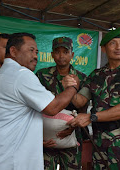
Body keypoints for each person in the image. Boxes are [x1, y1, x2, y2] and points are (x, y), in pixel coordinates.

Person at [0, 33, 80, 170]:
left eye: (36, 52)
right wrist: (73, 86)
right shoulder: (20, 74)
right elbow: (53, 107)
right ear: (13, 51)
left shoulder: (6, 72)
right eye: (31, 50)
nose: (35, 56)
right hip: (7, 161)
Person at [64, 27, 120, 169]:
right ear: (103, 49)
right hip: (99, 142)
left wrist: (91, 117)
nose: (119, 47)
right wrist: (70, 87)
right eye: (113, 43)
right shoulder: (96, 75)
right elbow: (80, 101)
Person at [36, 36, 87, 170]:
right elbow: (35, 106)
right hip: (47, 139)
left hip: (72, 136)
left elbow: (84, 107)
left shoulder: (81, 78)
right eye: (57, 52)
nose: (61, 56)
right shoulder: (42, 75)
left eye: (65, 52)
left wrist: (73, 127)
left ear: (72, 55)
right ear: (52, 55)